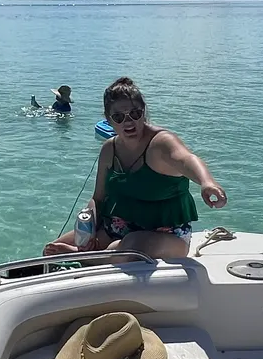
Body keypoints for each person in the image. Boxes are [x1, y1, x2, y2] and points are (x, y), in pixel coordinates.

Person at [41, 76, 226, 260]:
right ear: (109, 120)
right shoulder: (109, 149)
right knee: (49, 250)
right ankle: (90, 253)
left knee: (131, 245)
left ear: (143, 112)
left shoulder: (161, 143)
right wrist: (88, 223)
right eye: (119, 117)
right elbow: (98, 198)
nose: (128, 122)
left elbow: (186, 159)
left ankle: (88, 257)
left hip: (166, 235)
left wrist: (207, 182)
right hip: (118, 226)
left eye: (135, 114)